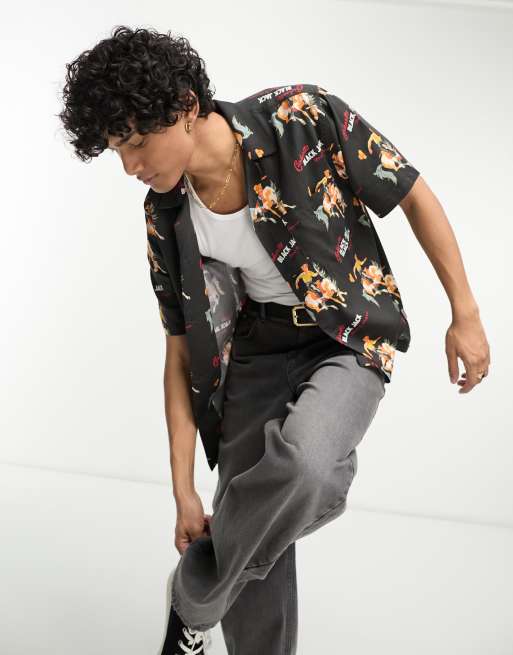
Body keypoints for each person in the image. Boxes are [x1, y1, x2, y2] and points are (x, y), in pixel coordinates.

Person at [58, 25, 491, 655]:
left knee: (305, 469)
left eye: (137, 143)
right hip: (254, 353)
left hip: (345, 340)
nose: (130, 167)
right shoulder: (165, 215)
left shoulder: (301, 117)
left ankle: (192, 600)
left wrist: (465, 313)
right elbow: (179, 352)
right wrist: (183, 489)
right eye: (117, 151)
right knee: (262, 524)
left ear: (185, 107)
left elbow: (413, 194)